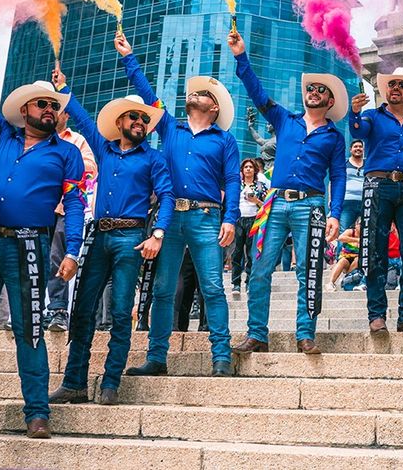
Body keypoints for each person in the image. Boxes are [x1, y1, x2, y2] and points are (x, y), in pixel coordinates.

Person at [0, 42, 85, 439]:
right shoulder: (2, 134)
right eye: (39, 104)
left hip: (31, 246)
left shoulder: (67, 154)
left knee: (30, 331)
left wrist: (73, 249)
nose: (48, 109)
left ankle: (37, 415)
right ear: (24, 110)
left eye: (52, 105)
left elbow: (75, 203)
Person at [114, 32, 239, 379]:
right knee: (163, 289)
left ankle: (221, 356)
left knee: (212, 286)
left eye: (202, 93)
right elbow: (148, 95)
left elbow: (232, 180)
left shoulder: (225, 140)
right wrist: (129, 57)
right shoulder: (169, 128)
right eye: (193, 92)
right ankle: (157, 358)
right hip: (168, 220)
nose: (193, 93)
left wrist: (230, 218)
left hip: (206, 216)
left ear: (213, 107)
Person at [47, 69, 173, 406]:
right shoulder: (102, 149)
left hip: (131, 238)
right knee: (83, 309)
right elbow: (80, 114)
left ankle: (110, 382)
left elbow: (167, 196)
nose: (140, 122)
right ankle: (74, 383)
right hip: (98, 236)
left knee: (119, 312)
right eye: (133, 117)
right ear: (120, 122)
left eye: (144, 118)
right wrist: (62, 86)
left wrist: (157, 234)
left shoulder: (154, 158)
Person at [228, 30, 344, 356]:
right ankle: (256, 335)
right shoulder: (283, 119)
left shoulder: (334, 137)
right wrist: (241, 57)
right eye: (311, 88)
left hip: (313, 206)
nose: (314, 92)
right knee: (261, 267)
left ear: (330, 101)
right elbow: (257, 93)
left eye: (321, 90)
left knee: (309, 270)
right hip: (276, 203)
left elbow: (337, 174)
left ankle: (305, 334)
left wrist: (335, 214)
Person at [349, 67, 403, 334]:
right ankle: (376, 315)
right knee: (375, 251)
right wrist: (354, 112)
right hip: (377, 186)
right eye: (392, 84)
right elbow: (356, 131)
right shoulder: (372, 116)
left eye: (401, 85)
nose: (395, 88)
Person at [45, 108, 97, 333]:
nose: (57, 114)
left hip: (66, 209)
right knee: (34, 258)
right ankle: (33, 310)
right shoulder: (35, 138)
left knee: (57, 257)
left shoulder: (77, 140)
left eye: (61, 111)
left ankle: (58, 310)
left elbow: (90, 169)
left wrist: (59, 162)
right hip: (38, 209)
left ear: (66, 116)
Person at [233, 158, 266, 296]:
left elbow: (266, 206)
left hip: (254, 220)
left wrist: (255, 200)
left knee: (251, 253)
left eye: (250, 167)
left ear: (255, 170)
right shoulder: (236, 185)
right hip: (238, 220)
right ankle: (236, 283)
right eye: (245, 167)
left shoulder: (260, 186)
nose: (248, 169)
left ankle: (248, 282)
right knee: (237, 252)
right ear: (242, 170)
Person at [340, 140, 365, 254]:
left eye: (360, 146)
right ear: (350, 149)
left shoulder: (368, 164)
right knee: (344, 230)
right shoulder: (344, 164)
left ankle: (362, 261)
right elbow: (335, 183)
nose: (358, 148)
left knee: (365, 232)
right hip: (347, 202)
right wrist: (332, 200)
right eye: (355, 146)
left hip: (365, 202)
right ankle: (339, 260)